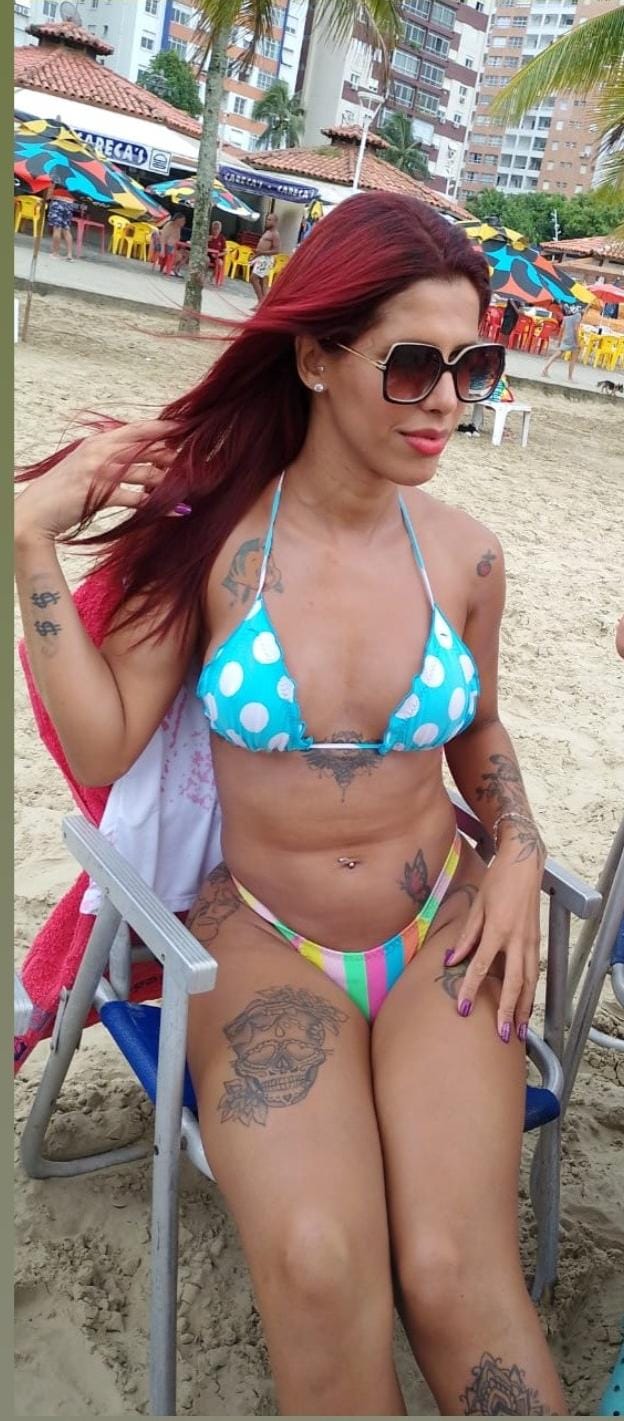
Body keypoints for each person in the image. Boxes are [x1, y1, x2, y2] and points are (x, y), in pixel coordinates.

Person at [14, 192, 568, 1417]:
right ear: (316, 357)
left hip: (441, 935)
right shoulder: (216, 544)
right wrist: (32, 544)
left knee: (452, 1267)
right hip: (264, 938)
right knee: (320, 1264)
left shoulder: (468, 556)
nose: (447, 401)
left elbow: (478, 730)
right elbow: (104, 735)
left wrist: (521, 851)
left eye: (474, 366)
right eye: (412, 364)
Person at [542, 304, 583, 382]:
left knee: (557, 354)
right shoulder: (578, 316)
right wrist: (578, 342)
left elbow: (562, 329)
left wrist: (559, 340)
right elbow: (575, 329)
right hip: (573, 339)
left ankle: (545, 369)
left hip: (566, 338)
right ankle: (570, 377)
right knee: (573, 359)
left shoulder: (566, 316)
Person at [249, 212, 280, 307]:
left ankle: (260, 301)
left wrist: (262, 253)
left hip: (265, 259)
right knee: (263, 281)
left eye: (269, 220)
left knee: (253, 278)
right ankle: (263, 303)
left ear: (275, 222)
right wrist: (256, 255)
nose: (267, 221)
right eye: (267, 219)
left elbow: (276, 250)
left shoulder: (275, 234)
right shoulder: (267, 232)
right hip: (260, 257)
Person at [150, 210, 186, 275]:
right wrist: (162, 250)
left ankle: (175, 269)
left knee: (186, 254)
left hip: (172, 245)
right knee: (179, 256)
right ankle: (168, 269)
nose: (184, 222)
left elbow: (177, 238)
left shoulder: (178, 227)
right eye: (183, 220)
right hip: (164, 245)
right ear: (177, 220)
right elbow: (163, 238)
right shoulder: (170, 225)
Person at [48, 187, 75, 261]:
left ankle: (55, 253)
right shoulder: (74, 181)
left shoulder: (57, 180)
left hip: (57, 202)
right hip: (69, 204)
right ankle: (69, 255)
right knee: (66, 229)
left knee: (57, 228)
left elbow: (49, 195)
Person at [206, 219, 226, 285]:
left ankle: (212, 278)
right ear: (212, 229)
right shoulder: (208, 236)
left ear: (220, 229)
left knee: (220, 263)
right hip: (208, 255)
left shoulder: (222, 238)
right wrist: (207, 240)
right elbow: (202, 246)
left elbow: (225, 251)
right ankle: (204, 275)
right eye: (214, 228)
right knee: (206, 260)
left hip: (217, 257)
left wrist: (218, 255)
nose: (216, 230)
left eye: (218, 229)